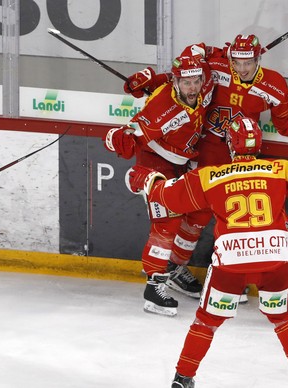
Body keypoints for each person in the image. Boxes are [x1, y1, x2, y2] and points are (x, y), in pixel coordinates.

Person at [128, 116, 288, 387]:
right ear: (258, 143)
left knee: (206, 323)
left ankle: (184, 378)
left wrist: (149, 180)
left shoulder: (209, 177)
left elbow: (170, 197)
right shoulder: (280, 169)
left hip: (231, 262)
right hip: (273, 258)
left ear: (231, 144)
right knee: (284, 318)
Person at [124, 34, 288, 302]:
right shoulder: (215, 67)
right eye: (236, 61)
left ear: (258, 58)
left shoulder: (273, 84)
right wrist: (151, 81)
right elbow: (181, 77)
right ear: (229, 58)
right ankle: (175, 266)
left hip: (241, 155)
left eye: (247, 62)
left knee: (237, 215)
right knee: (199, 213)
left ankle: (228, 275)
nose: (242, 68)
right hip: (204, 150)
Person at [104, 55, 214, 316]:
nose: (192, 88)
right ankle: (154, 287)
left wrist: (155, 78)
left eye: (196, 81)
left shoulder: (205, 86)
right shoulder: (161, 110)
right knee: (167, 222)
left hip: (183, 163)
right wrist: (119, 138)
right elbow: (124, 138)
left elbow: (200, 58)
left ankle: (174, 268)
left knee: (200, 212)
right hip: (155, 166)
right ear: (177, 82)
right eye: (185, 82)